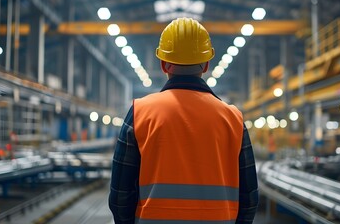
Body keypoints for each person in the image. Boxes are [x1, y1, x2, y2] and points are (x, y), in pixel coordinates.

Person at [109, 17, 259, 224]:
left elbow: (120, 196)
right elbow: (249, 198)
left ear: (163, 64)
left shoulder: (140, 113)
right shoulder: (233, 119)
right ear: (206, 65)